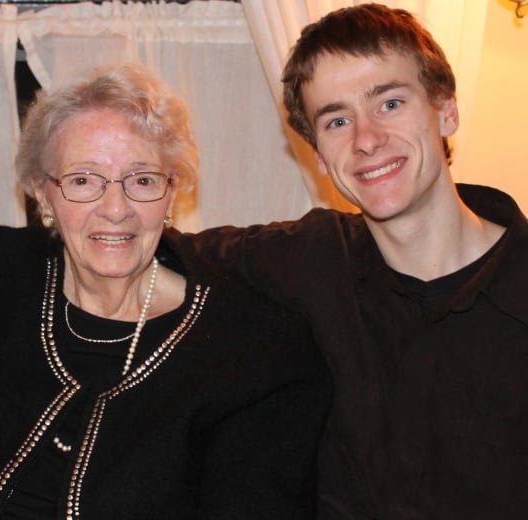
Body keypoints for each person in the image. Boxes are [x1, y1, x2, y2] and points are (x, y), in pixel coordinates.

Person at [169, 3, 528, 519]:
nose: (365, 140)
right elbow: (147, 254)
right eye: (337, 120)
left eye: (389, 103)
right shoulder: (309, 259)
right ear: (317, 156)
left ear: (446, 110)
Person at [0, 63, 331, 519]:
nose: (115, 209)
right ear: (42, 195)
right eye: (83, 180)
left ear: (171, 194)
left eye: (142, 180)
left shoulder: (253, 354)